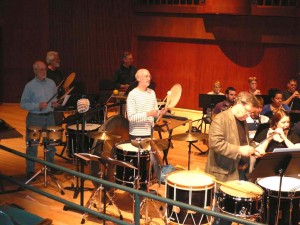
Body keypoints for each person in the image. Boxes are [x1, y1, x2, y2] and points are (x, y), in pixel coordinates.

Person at [205, 91, 260, 225]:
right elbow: (215, 143)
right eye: (247, 112)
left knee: (230, 214)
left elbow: (243, 141)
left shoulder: (242, 120)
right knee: (221, 213)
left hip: (238, 170)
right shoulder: (221, 119)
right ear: (239, 103)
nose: (248, 116)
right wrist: (239, 150)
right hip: (223, 172)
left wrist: (254, 148)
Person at [20, 61, 61, 179]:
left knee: (51, 145)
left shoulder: (51, 83)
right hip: (35, 118)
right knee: (32, 145)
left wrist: (55, 103)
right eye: (41, 70)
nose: (43, 72)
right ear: (35, 71)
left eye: (44, 69)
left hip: (49, 117)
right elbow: (23, 104)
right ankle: (30, 170)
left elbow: (55, 98)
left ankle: (50, 166)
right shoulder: (29, 86)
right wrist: (37, 105)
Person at [126, 69, 167, 140]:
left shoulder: (152, 92)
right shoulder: (132, 94)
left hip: (149, 132)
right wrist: (148, 114)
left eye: (150, 76)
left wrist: (160, 113)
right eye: (146, 76)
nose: (149, 78)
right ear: (138, 78)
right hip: (136, 134)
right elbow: (131, 117)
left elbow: (155, 113)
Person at [46, 51, 64, 125]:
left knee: (58, 127)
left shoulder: (59, 72)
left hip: (58, 103)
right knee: (49, 128)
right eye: (57, 59)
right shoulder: (45, 73)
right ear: (51, 61)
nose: (59, 60)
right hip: (49, 105)